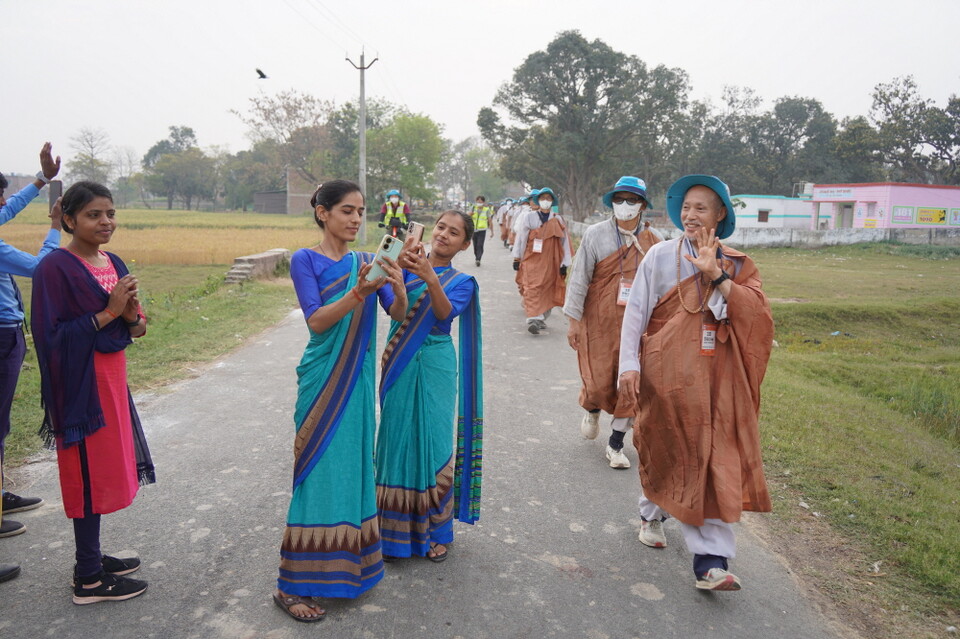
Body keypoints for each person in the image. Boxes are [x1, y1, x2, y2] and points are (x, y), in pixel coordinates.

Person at [617, 175, 773, 591]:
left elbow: (758, 319)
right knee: (668, 449)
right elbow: (635, 313)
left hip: (717, 379)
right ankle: (652, 513)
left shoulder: (737, 264)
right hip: (665, 374)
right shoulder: (660, 256)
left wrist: (717, 275)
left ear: (720, 215)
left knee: (713, 455)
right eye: (686, 207)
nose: (691, 215)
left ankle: (710, 562)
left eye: (701, 208)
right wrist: (628, 366)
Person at [276, 180, 408, 622]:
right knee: (316, 473)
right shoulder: (305, 259)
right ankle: (291, 585)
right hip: (323, 379)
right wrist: (359, 293)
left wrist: (398, 285)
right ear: (323, 212)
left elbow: (397, 313)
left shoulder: (369, 261)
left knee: (352, 469)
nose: (356, 219)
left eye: (361, 212)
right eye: (347, 210)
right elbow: (316, 321)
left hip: (357, 381)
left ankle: (348, 569)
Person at [31, 181, 155, 604]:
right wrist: (109, 312)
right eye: (93, 215)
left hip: (110, 378)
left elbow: (134, 328)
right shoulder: (55, 268)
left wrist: (132, 316)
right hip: (79, 384)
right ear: (68, 219)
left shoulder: (112, 261)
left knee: (101, 468)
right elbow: (51, 338)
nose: (106, 222)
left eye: (110, 214)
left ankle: (92, 556)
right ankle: (88, 579)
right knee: (84, 471)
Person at [375, 210, 483, 563]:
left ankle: (435, 530)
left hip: (437, 362)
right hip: (400, 357)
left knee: (435, 443)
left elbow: (445, 313)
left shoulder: (463, 282)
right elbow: (390, 304)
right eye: (440, 227)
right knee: (395, 438)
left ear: (464, 244)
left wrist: (430, 278)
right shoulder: (405, 265)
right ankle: (390, 532)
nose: (443, 235)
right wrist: (395, 268)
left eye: (454, 233)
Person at [563, 177, 660, 469]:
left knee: (632, 380)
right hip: (599, 321)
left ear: (642, 205)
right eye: (619, 199)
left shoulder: (655, 241)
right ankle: (592, 407)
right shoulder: (595, 234)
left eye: (632, 200)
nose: (624, 205)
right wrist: (574, 321)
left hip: (638, 324)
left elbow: (663, 285)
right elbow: (579, 278)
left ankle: (616, 443)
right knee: (598, 378)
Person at [1, 143, 61, 534]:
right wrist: (55, 228)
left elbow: (6, 212)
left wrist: (41, 180)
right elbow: (41, 268)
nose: (3, 204)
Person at [513, 187, 572, 334]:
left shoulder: (557, 219)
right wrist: (517, 257)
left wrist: (564, 263)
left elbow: (564, 243)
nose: (545, 201)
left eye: (548, 198)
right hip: (531, 259)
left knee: (548, 288)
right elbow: (521, 238)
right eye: (543, 198)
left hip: (552, 260)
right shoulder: (529, 217)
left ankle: (541, 318)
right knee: (532, 287)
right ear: (538, 200)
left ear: (552, 201)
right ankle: (533, 318)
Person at [469, 195, 493, 266]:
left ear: (483, 202)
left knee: (480, 245)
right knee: (475, 245)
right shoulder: (473, 208)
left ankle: (478, 259)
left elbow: (490, 220)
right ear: (476, 201)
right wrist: (470, 214)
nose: (479, 202)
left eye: (481, 201)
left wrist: (492, 231)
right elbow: (467, 217)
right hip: (474, 230)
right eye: (478, 201)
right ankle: (476, 256)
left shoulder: (486, 210)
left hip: (482, 230)